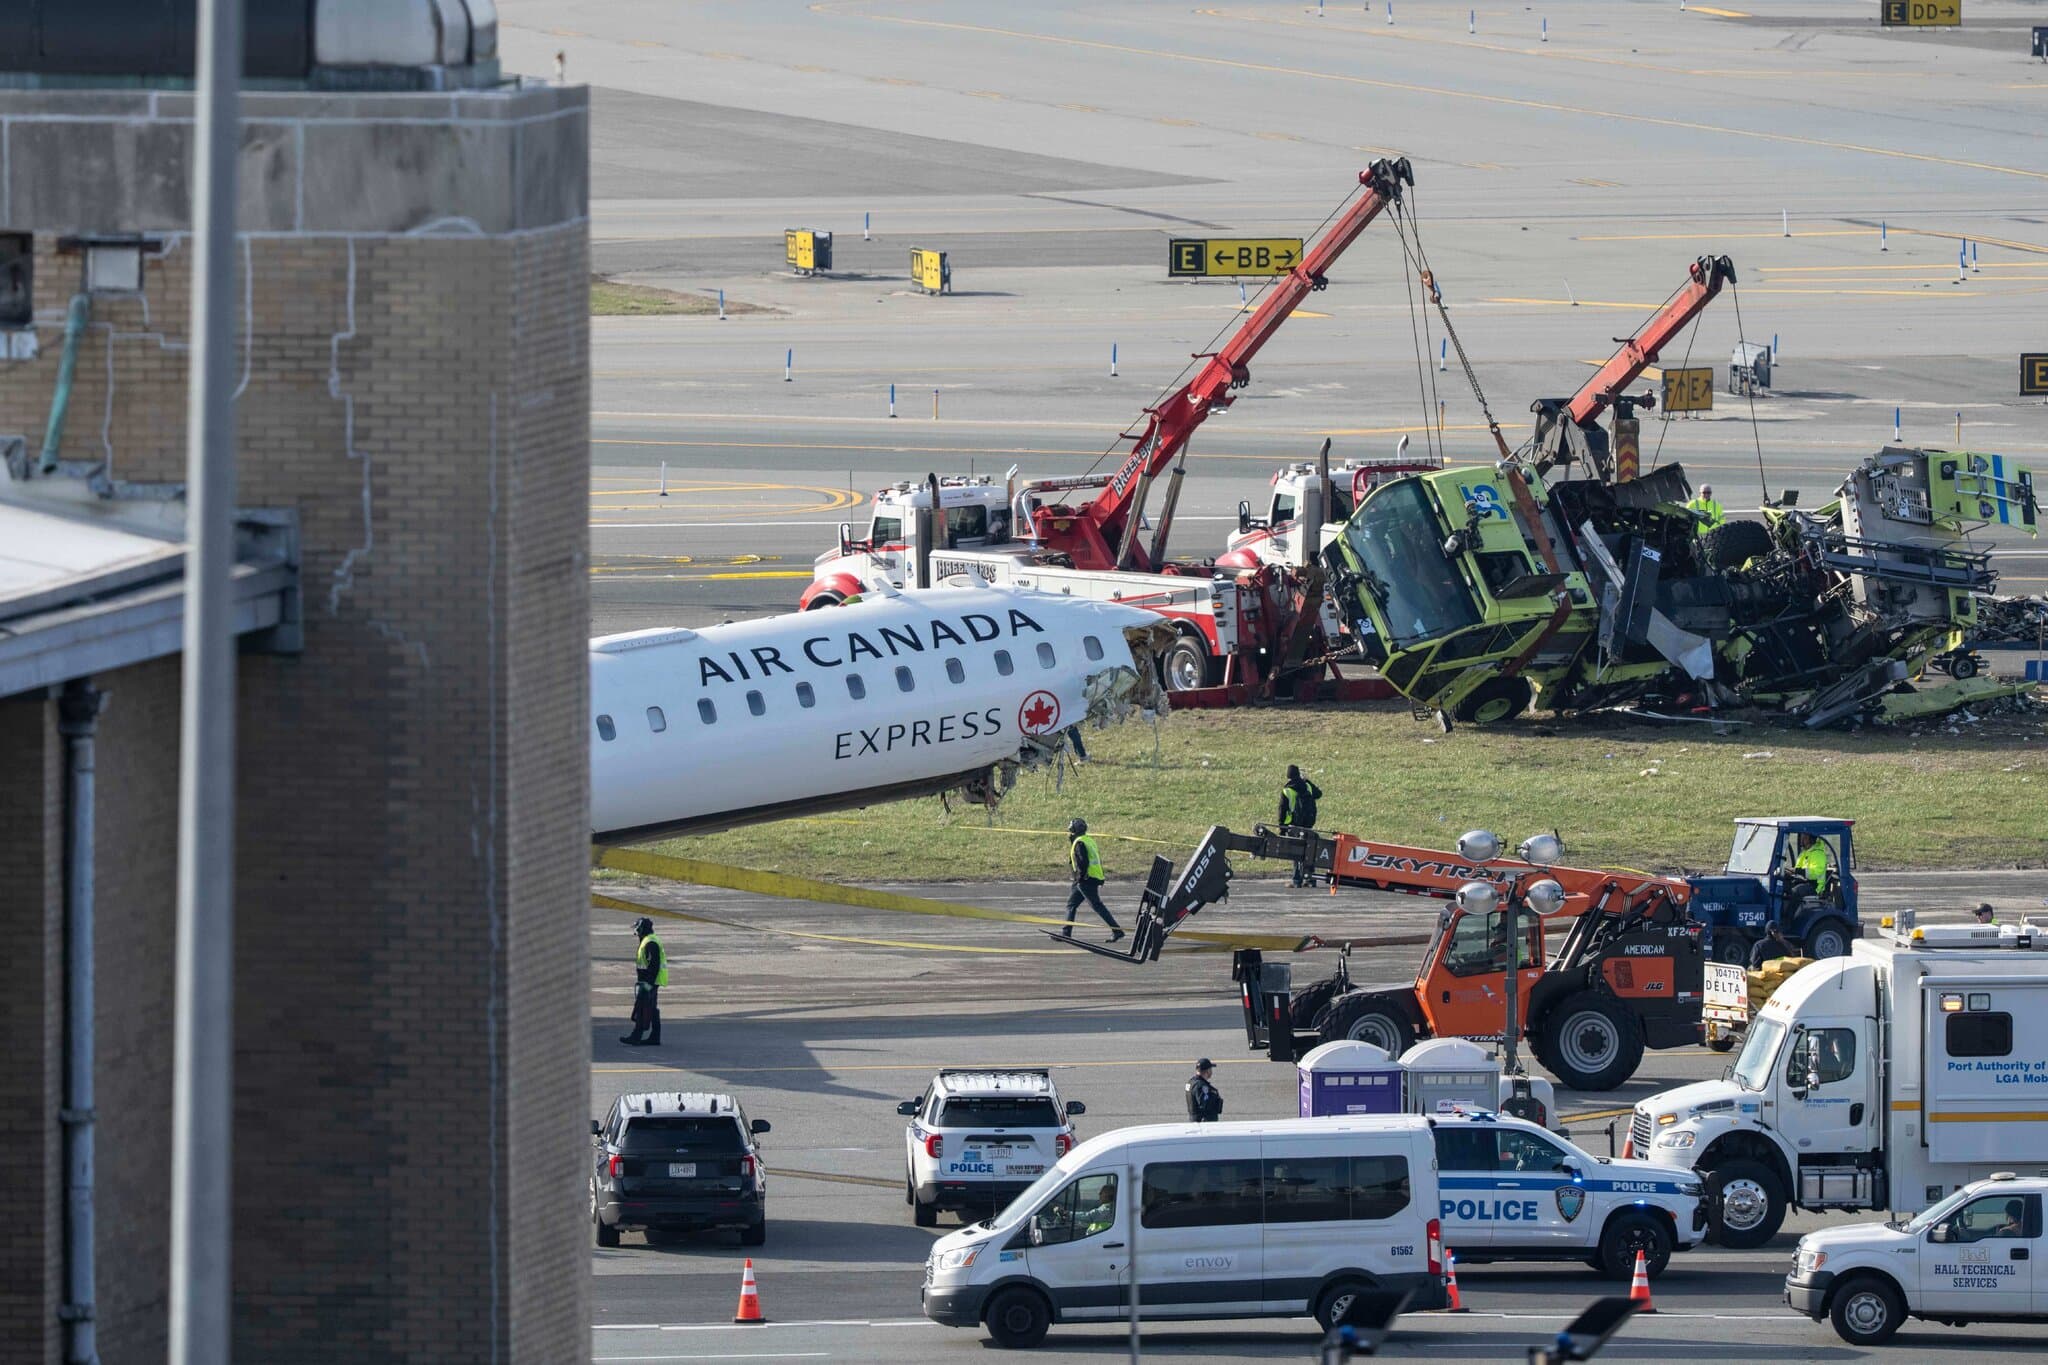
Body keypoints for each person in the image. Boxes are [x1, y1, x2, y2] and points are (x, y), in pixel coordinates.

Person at [1064, 818, 1123, 942]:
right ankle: (1066, 933)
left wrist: (1081, 877)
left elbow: (1082, 862)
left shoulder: (1079, 842)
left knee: (1097, 905)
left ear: (1073, 830)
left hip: (1086, 880)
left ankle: (1117, 931)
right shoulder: (1088, 840)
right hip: (1089, 878)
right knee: (1071, 904)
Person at [621, 916, 667, 1047]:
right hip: (648, 980)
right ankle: (655, 1036)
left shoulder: (650, 943)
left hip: (649, 982)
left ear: (642, 928)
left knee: (643, 1007)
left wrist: (648, 983)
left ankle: (636, 1036)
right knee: (651, 1008)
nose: (635, 931)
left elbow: (654, 965)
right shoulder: (647, 940)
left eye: (637, 928)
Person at [1279, 765, 1323, 888]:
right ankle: (1310, 879)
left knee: (1296, 854)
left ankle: (1297, 880)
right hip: (1308, 825)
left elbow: (1282, 811)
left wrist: (1282, 829)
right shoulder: (1307, 786)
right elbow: (1319, 794)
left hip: (1294, 826)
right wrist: (1307, 780)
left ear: (1288, 776)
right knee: (1309, 853)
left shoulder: (1287, 790)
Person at [1789, 833, 1832, 901]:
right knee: (1784, 887)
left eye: (1805, 837)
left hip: (1815, 887)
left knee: (1796, 891)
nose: (1802, 839)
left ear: (1811, 839)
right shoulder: (1804, 852)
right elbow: (1798, 868)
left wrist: (1798, 871)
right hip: (1804, 882)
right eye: (1802, 836)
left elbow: (1816, 874)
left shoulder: (1818, 854)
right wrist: (1791, 872)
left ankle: (1790, 912)